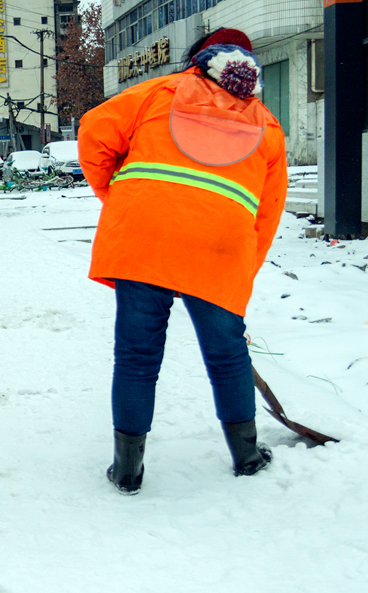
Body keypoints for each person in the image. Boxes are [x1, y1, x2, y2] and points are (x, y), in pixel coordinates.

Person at [77, 28, 288, 493]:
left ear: (199, 61)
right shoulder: (267, 126)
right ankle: (247, 456)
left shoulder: (158, 92)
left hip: (143, 239)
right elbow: (267, 215)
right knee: (227, 354)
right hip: (220, 249)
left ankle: (128, 471)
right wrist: (238, 279)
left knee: (136, 355)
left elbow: (94, 130)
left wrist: (115, 196)